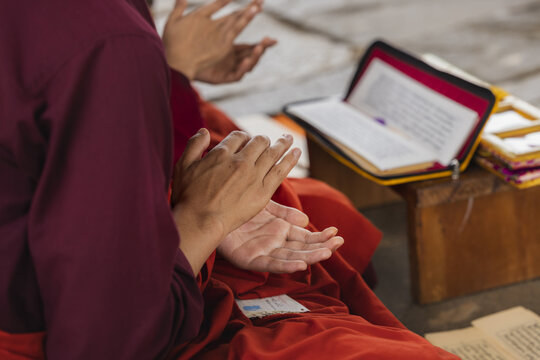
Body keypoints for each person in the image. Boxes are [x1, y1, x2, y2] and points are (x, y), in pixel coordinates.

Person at [0, 0, 344, 358]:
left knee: (314, 209)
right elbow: (110, 335)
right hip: (47, 326)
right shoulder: (109, 43)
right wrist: (202, 218)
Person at [160, 1, 459, 359]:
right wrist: (201, 221)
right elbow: (122, 317)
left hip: (183, 222)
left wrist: (171, 75)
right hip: (168, 261)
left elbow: (138, 127)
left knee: (320, 207)